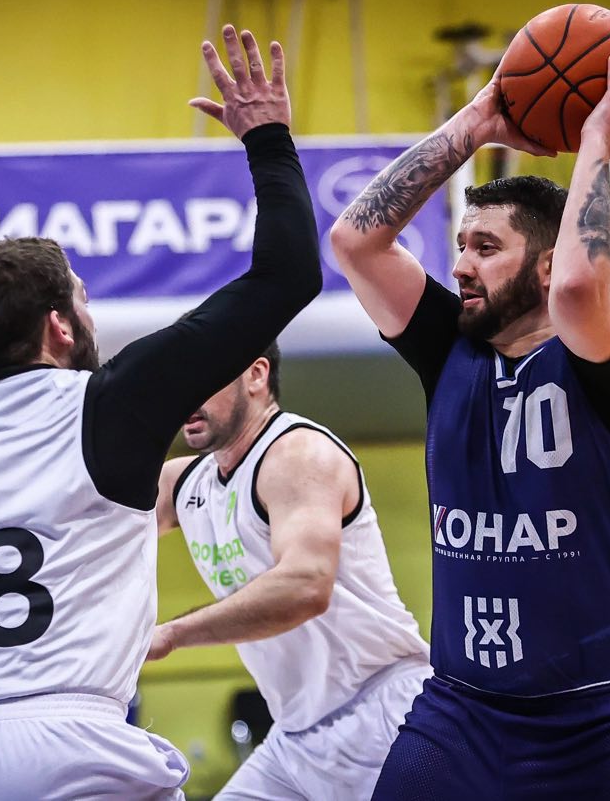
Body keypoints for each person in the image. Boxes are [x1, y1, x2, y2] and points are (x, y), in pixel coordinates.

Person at [0, 25, 322, 801]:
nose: (91, 316)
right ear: (59, 327)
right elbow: (288, 275)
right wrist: (268, 140)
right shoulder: (109, 403)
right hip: (55, 739)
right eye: (84, 300)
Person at [330, 54, 610, 799]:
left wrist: (601, 139)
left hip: (604, 717)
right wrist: (477, 123)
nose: (462, 265)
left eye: (487, 249)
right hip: (463, 712)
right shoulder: (448, 348)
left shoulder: (602, 355)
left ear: (546, 266)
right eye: (462, 245)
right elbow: (355, 241)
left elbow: (582, 286)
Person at [149, 341, 431, 801]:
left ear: (256, 375)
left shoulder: (298, 454)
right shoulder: (186, 482)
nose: (185, 396)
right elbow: (88, 533)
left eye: (200, 376)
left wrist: (171, 634)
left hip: (380, 712)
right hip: (294, 735)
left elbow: (304, 587)